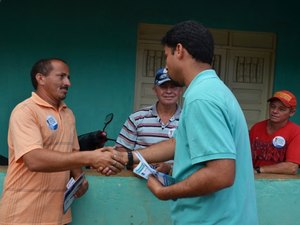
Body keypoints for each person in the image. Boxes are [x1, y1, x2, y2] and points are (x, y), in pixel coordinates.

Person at [103, 20, 258, 224]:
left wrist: (165, 192)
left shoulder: (201, 98)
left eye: (166, 55)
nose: (166, 63)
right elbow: (177, 144)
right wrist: (128, 158)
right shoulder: (213, 90)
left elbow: (221, 174)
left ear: (179, 50)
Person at [0, 58, 125, 225]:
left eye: (69, 77)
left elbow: (72, 153)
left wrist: (80, 177)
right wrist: (91, 157)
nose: (68, 83)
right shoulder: (25, 111)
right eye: (61, 76)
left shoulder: (68, 114)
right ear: (41, 78)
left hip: (58, 215)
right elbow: (34, 159)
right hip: (23, 215)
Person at [115, 67, 182, 173]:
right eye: (163, 86)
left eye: (173, 87)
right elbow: (121, 150)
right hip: (138, 185)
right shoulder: (137, 118)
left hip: (175, 185)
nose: (169, 91)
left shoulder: (187, 120)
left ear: (180, 90)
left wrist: (170, 168)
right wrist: (134, 164)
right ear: (155, 89)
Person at [250, 90, 300, 175]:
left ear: (291, 112)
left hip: (281, 184)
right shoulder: (256, 128)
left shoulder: (296, 132)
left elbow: (291, 167)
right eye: (273, 106)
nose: (275, 111)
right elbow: (245, 157)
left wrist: (259, 170)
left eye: (281, 109)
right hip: (254, 180)